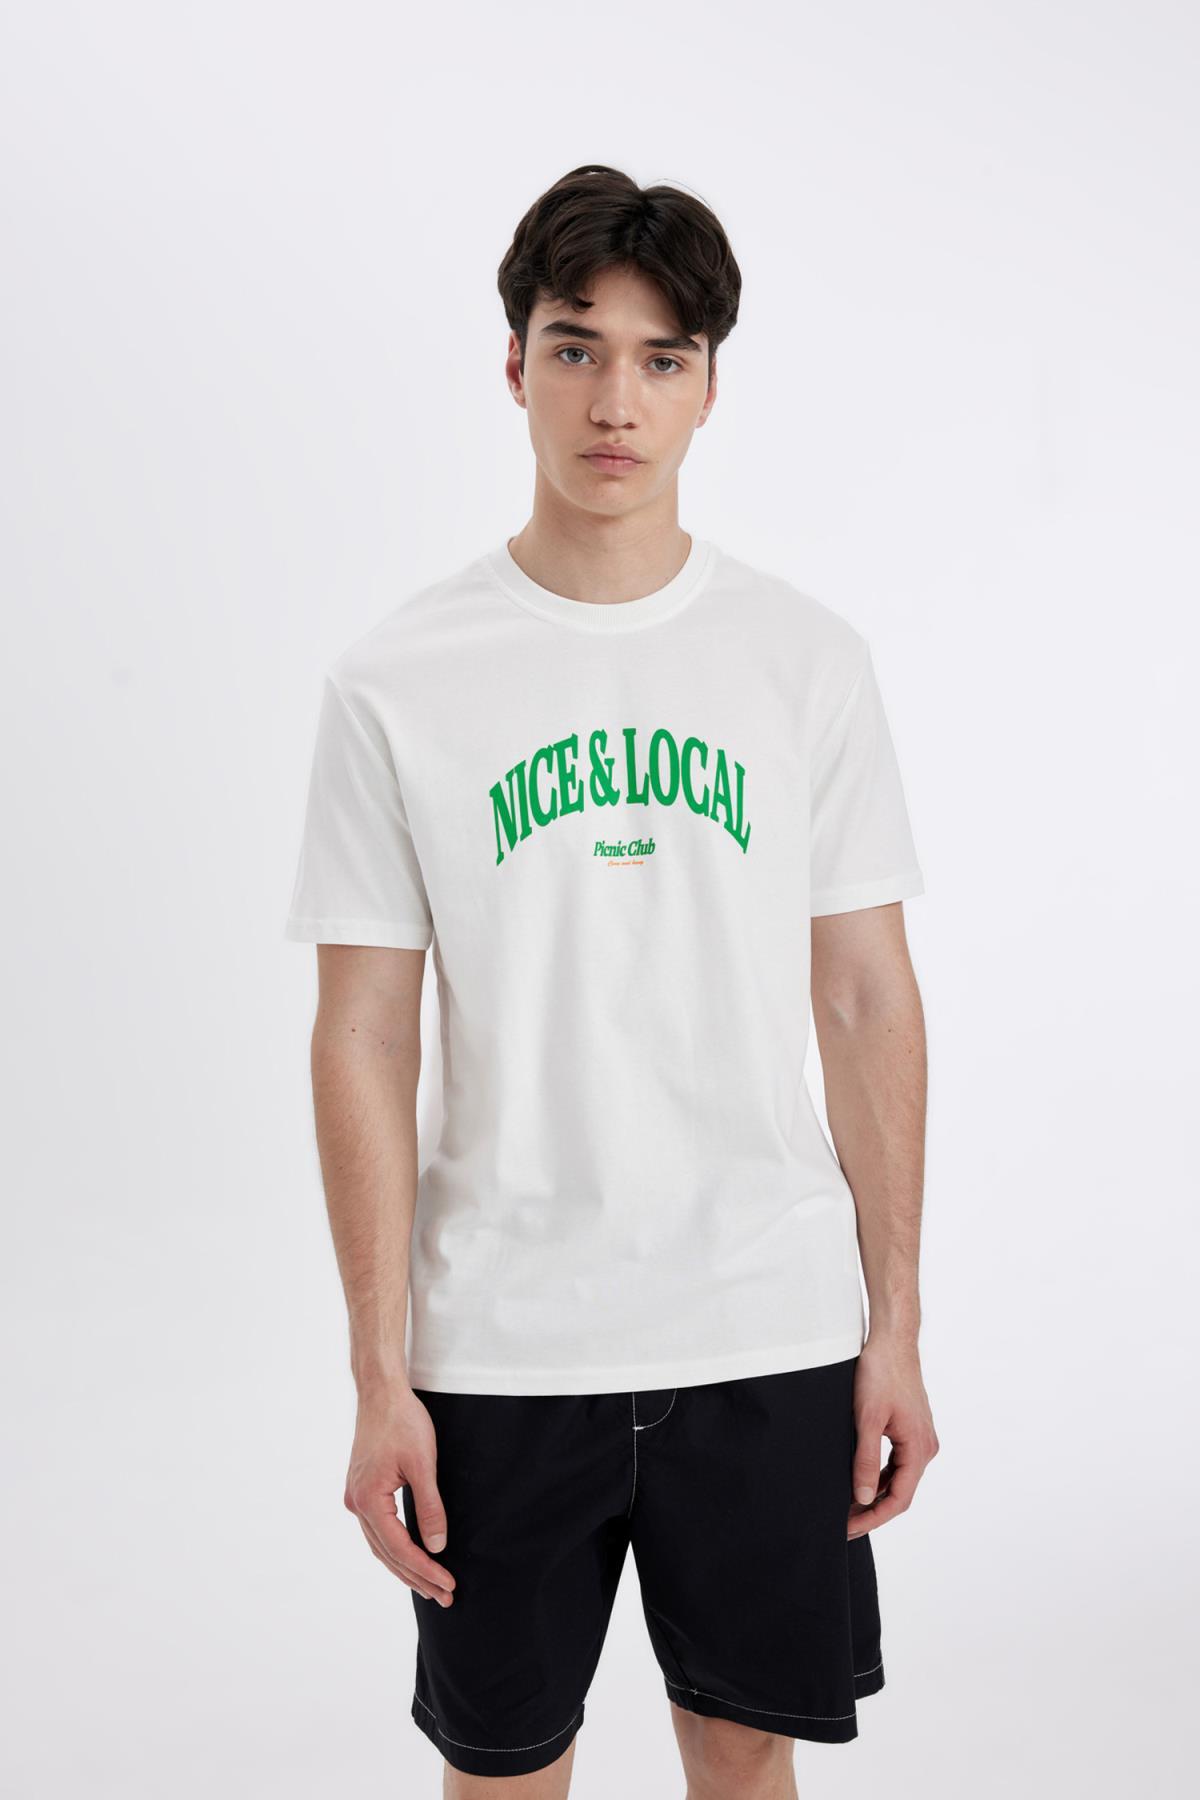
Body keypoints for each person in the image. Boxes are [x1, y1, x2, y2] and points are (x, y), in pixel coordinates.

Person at [283, 163, 939, 1800]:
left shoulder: (805, 663)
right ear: (515, 365)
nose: (616, 402)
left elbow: (866, 998)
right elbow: (361, 1031)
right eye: (577, 349)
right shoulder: (395, 683)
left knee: (746, 1762)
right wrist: (376, 1373)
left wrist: (899, 1326)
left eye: (662, 358)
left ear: (712, 385)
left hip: (766, 1325)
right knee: (503, 1773)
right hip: (503, 1341)